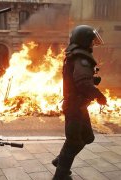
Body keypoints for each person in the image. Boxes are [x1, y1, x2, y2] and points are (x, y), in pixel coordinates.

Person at [52, 25, 107, 180]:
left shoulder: (76, 56)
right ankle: (61, 174)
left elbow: (78, 79)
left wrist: (92, 79)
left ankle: (60, 160)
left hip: (79, 106)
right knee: (74, 140)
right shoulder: (82, 58)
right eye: (91, 40)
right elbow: (82, 83)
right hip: (74, 107)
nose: (93, 43)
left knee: (87, 137)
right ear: (84, 41)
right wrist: (99, 96)